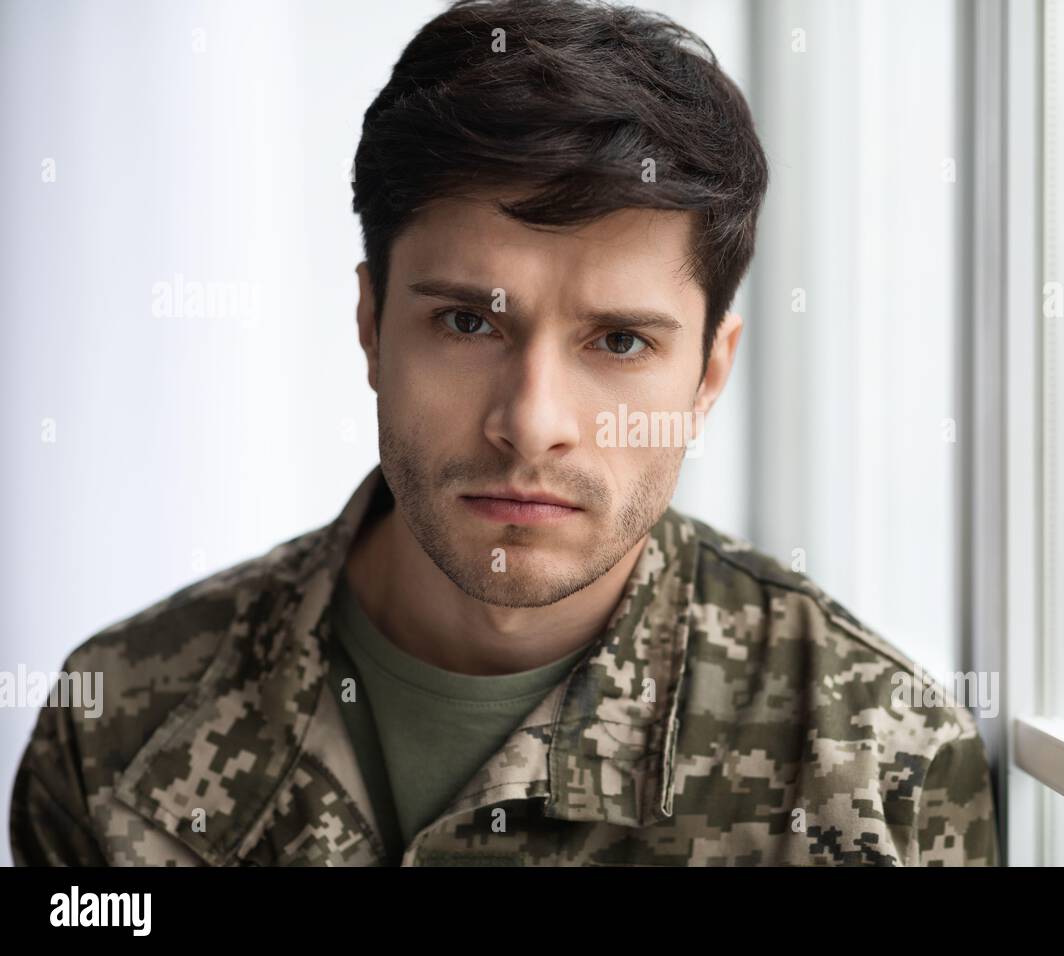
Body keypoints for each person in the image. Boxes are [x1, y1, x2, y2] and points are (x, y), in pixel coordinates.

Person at [10, 0, 997, 866]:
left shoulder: (879, 757)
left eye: (618, 340)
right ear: (370, 324)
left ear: (708, 374)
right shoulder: (118, 724)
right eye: (469, 322)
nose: (531, 423)